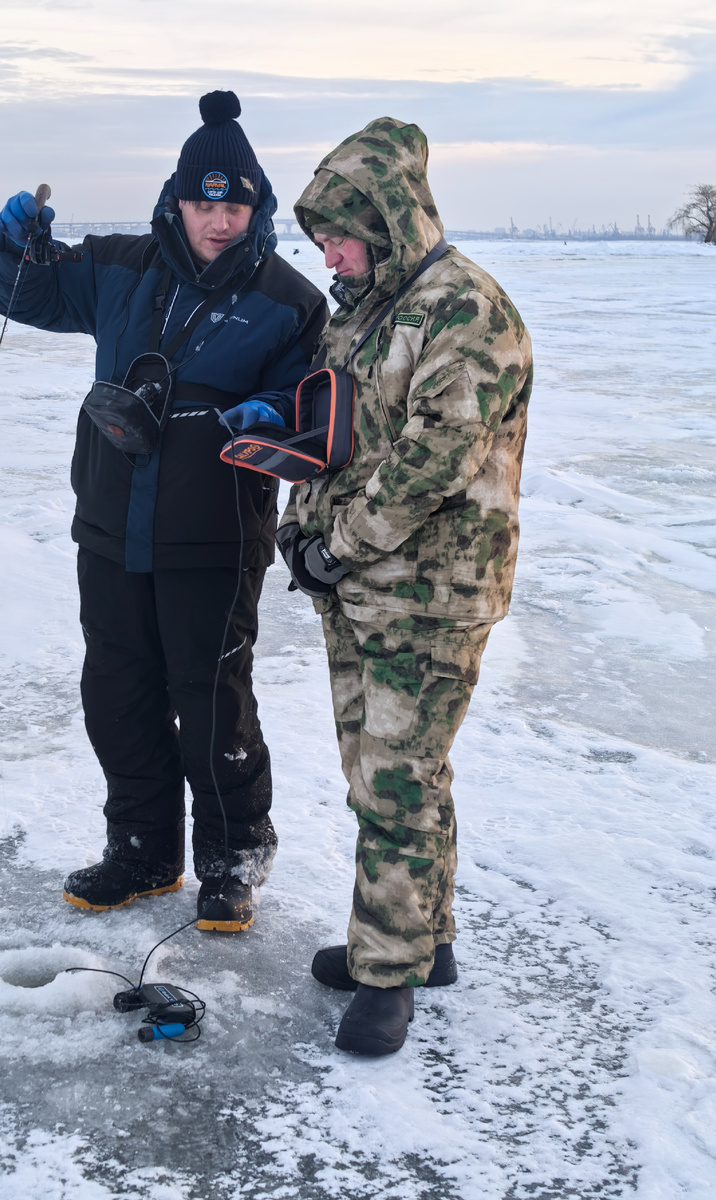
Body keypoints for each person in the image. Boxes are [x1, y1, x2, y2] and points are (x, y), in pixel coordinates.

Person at [0, 91, 328, 931]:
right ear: (175, 201)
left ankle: (229, 861)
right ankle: (142, 853)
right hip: (110, 528)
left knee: (212, 701)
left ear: (258, 209)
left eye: (235, 204)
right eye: (204, 201)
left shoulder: (290, 300)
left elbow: (312, 402)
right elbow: (26, 295)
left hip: (212, 537)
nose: (218, 220)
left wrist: (274, 412)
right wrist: (12, 245)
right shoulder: (117, 266)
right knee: (118, 692)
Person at [276, 118, 532, 1053]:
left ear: (388, 218)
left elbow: (430, 463)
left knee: (394, 783)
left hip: (432, 593)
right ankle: (427, 941)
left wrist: (337, 544)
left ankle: (387, 972)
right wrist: (301, 525)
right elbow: (339, 436)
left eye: (339, 234)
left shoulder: (465, 311)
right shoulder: (364, 309)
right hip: (361, 587)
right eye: (319, 240)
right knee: (387, 775)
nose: (329, 253)